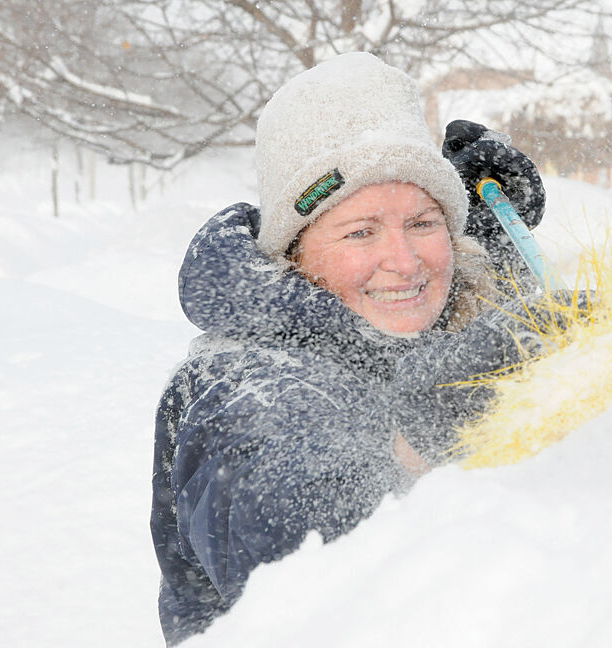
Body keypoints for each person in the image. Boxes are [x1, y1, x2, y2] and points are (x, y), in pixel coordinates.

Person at [149, 52, 548, 645]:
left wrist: (499, 220)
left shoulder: (418, 314)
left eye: (423, 223)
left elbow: (460, 297)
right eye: (360, 231)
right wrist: (422, 432)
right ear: (295, 252)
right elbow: (295, 550)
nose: (405, 261)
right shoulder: (242, 385)